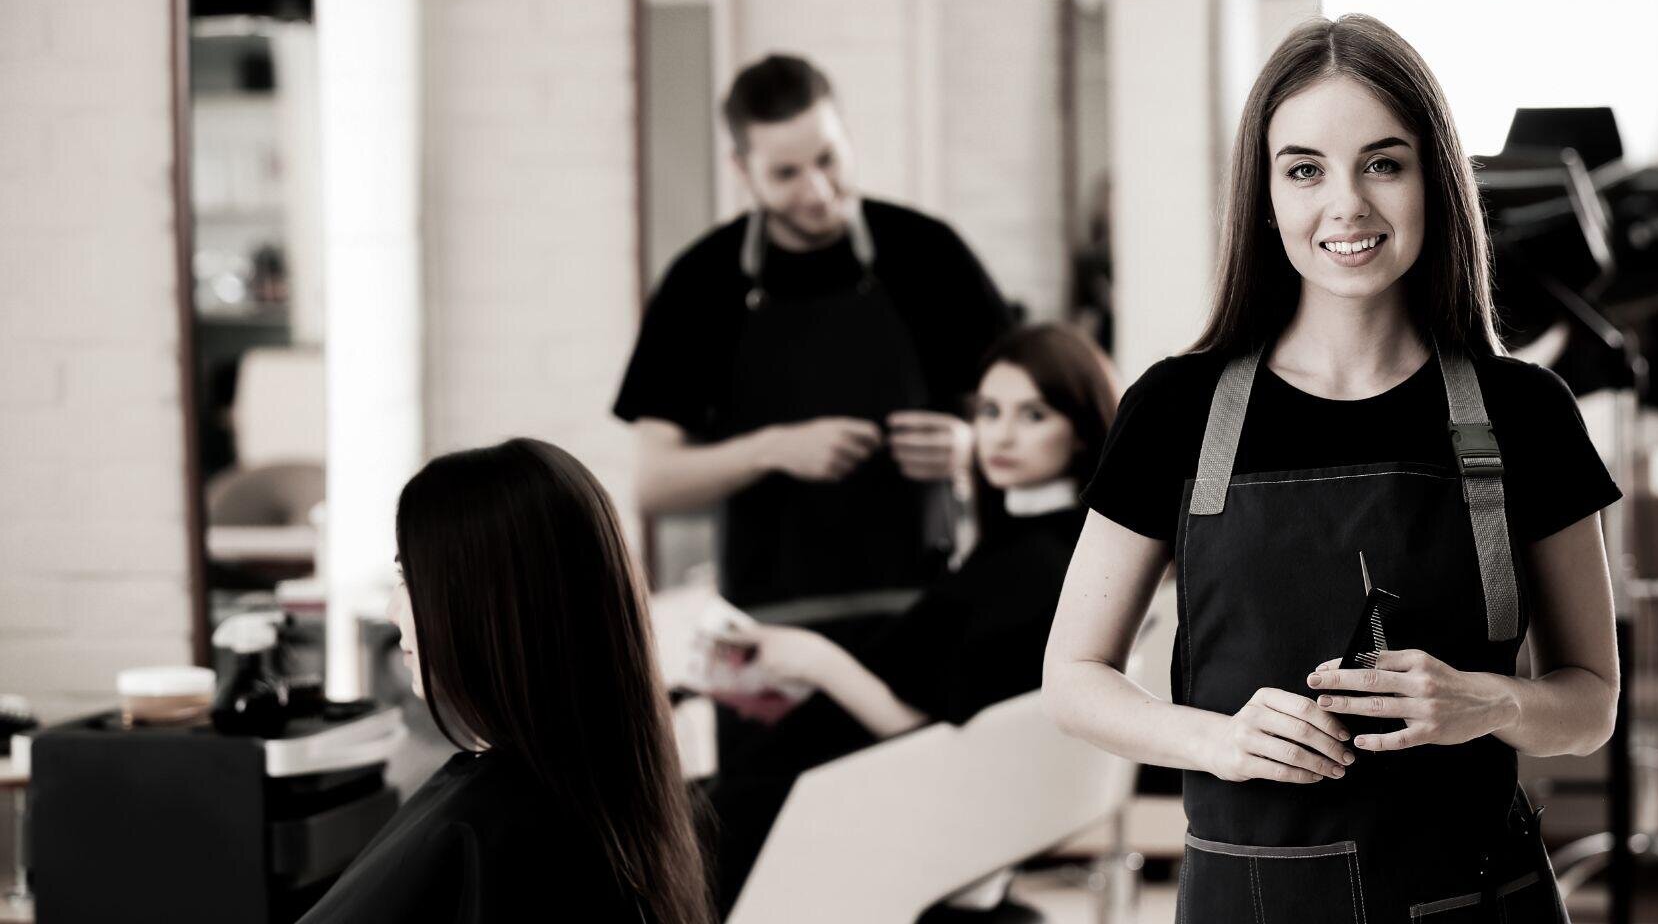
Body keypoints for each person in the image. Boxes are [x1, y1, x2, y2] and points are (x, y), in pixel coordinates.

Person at [1043, 15, 1621, 922]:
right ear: (1265, 194)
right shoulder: (1175, 409)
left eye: (1383, 163)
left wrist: (1488, 701)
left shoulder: (1526, 412)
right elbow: (1073, 676)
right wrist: (1220, 741)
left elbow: (1591, 706)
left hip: (1475, 900)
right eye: (1305, 168)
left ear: (1435, 179)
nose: (1346, 204)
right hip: (1250, 899)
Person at [699, 323, 1118, 916]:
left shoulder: (1036, 567)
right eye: (990, 411)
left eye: (1033, 415)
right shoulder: (1028, 548)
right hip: (833, 787)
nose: (999, 434)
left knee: (662, 824)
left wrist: (815, 660)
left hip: (846, 802)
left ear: (1081, 430)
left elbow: (926, 734)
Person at [613, 54, 1014, 643]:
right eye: (786, 174)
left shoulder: (930, 253)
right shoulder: (700, 283)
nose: (818, 192)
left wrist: (971, 448)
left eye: (828, 160)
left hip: (924, 617)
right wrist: (771, 450)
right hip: (766, 633)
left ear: (848, 137)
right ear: (742, 170)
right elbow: (654, 484)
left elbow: (1047, 420)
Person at [300, 439, 710, 924]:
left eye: (409, 579)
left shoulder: (489, 827)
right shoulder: (607, 804)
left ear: (486, 606)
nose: (394, 612)